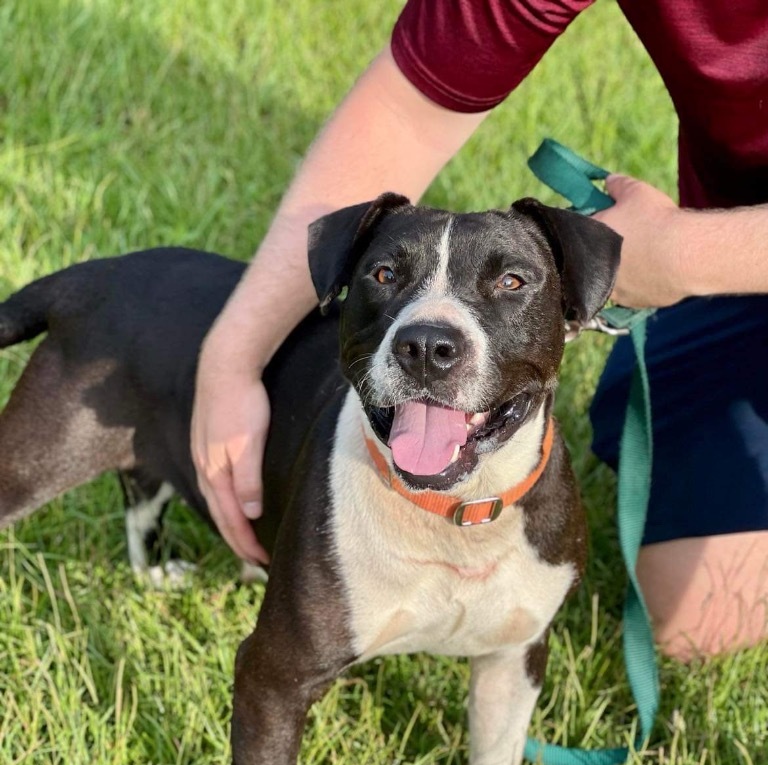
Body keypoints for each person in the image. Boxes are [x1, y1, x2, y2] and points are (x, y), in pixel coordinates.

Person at [191, 0, 768, 666]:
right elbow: (409, 108)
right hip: (737, 275)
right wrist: (232, 356)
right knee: (701, 618)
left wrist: (682, 256)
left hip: (706, 257)